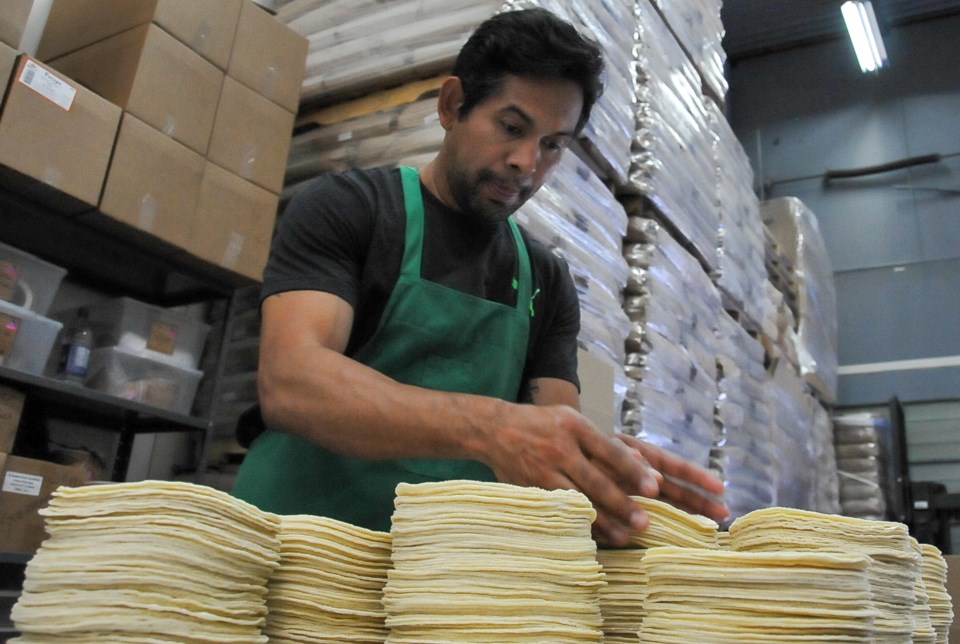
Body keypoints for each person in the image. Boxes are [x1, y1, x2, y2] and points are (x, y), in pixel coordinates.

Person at [232, 7, 727, 546]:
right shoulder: (351, 209)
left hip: (439, 588)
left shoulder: (547, 281)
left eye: (553, 144)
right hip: (291, 555)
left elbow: (550, 434)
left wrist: (609, 472)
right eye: (512, 127)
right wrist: (491, 428)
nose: (526, 161)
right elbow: (292, 382)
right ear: (452, 105)